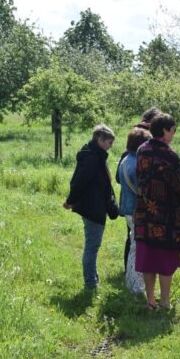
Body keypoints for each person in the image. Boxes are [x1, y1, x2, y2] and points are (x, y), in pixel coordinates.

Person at [134, 113, 180, 310]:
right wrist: (178, 208)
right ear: (165, 130)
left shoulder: (141, 150)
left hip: (142, 212)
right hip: (165, 216)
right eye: (173, 130)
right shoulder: (170, 156)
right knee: (165, 260)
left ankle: (150, 301)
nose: (173, 134)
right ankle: (165, 301)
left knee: (148, 259)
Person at [64, 124, 118, 290]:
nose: (111, 146)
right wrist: (70, 200)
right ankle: (90, 283)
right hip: (92, 207)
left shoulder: (94, 155)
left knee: (92, 245)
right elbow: (79, 182)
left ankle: (93, 278)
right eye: (109, 142)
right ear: (99, 139)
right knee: (92, 246)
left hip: (93, 205)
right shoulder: (93, 158)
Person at [116, 107, 162, 274]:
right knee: (138, 239)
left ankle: (131, 270)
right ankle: (136, 273)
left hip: (128, 202)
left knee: (131, 238)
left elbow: (117, 177)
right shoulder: (142, 150)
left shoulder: (129, 149)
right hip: (138, 204)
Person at [118, 127, 152, 294]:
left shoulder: (125, 160)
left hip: (127, 209)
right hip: (136, 211)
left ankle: (132, 284)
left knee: (133, 245)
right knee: (137, 249)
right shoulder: (137, 164)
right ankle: (135, 287)